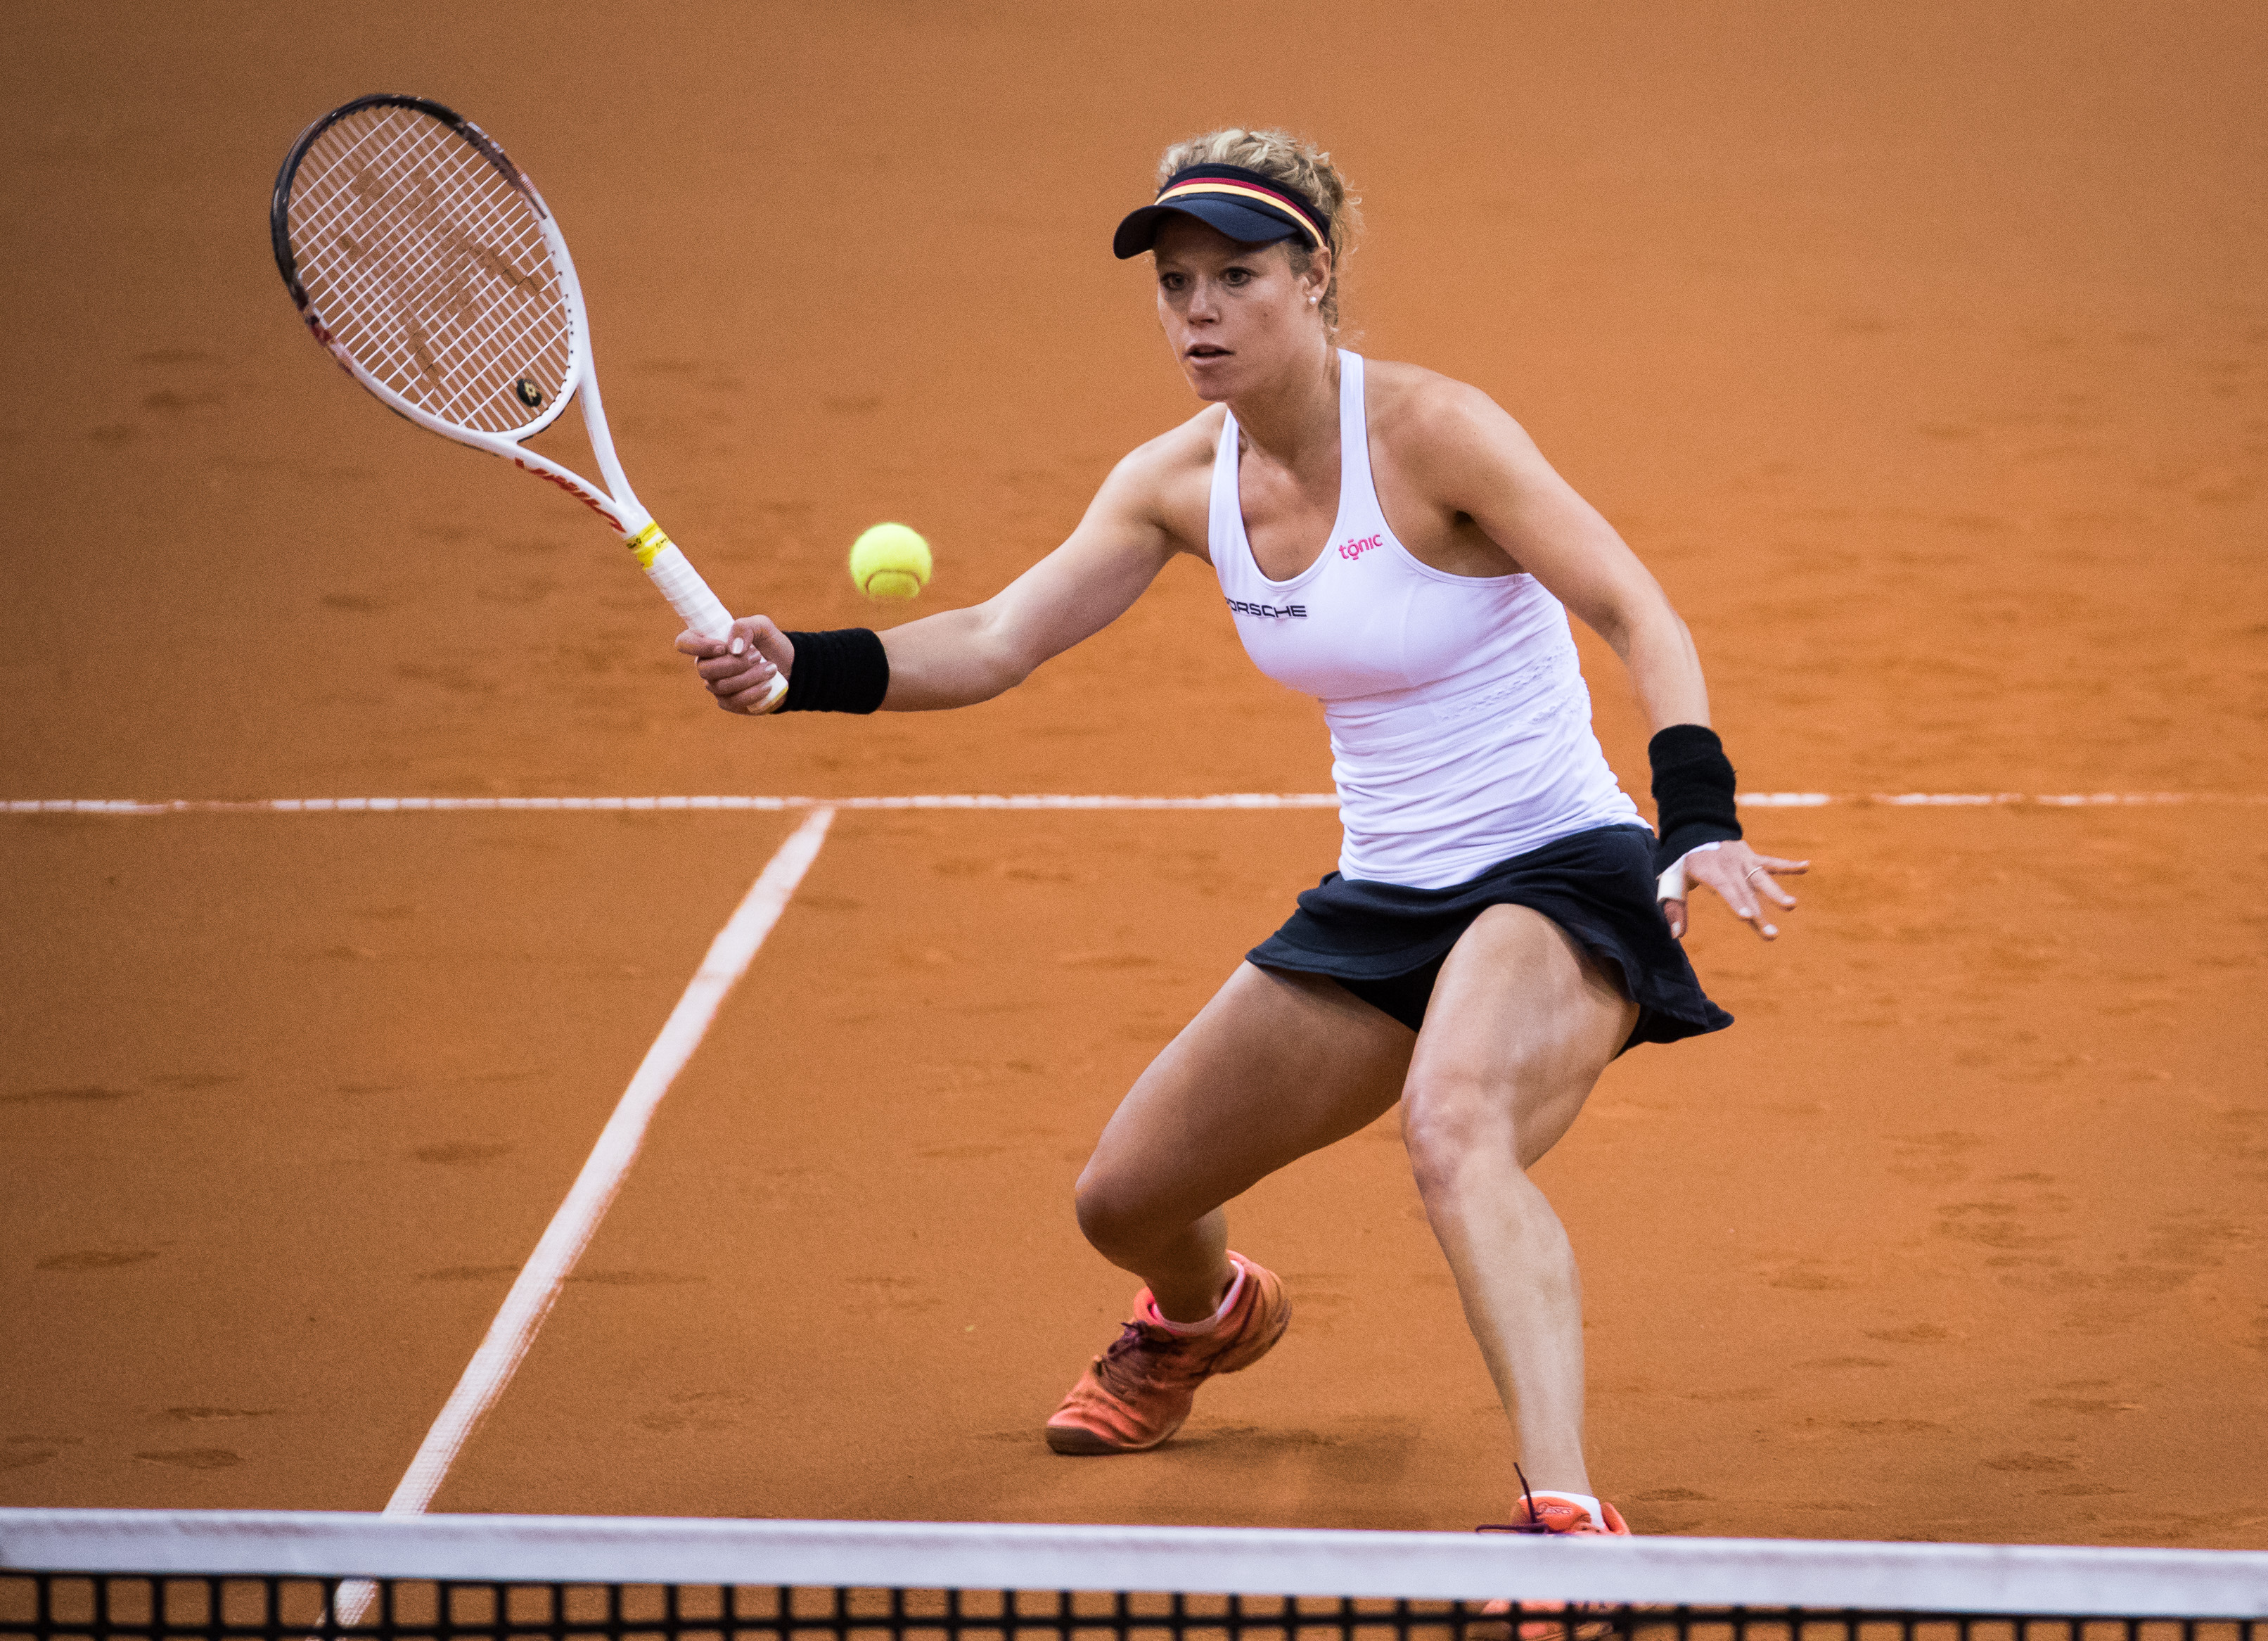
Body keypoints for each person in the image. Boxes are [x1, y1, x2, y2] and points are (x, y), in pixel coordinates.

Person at [681, 128, 1807, 1535]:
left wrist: (1693, 819)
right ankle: (1205, 1319)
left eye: (1234, 275)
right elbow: (993, 637)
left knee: (1451, 1125)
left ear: (1312, 276)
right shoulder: (1174, 483)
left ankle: (1565, 1520)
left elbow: (1638, 608)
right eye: (1173, 285)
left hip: (1554, 867)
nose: (1197, 310)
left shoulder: (1436, 433)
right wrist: (807, 669)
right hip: (1383, 895)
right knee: (1124, 1198)